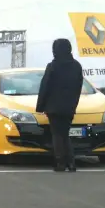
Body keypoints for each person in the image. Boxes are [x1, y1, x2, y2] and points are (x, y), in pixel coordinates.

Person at [36, 38, 84, 172]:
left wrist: (40, 106)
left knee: (57, 134)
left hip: (53, 107)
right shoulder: (77, 66)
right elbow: (79, 86)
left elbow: (45, 87)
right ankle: (71, 163)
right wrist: (74, 103)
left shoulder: (53, 66)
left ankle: (60, 163)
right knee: (65, 133)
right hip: (70, 106)